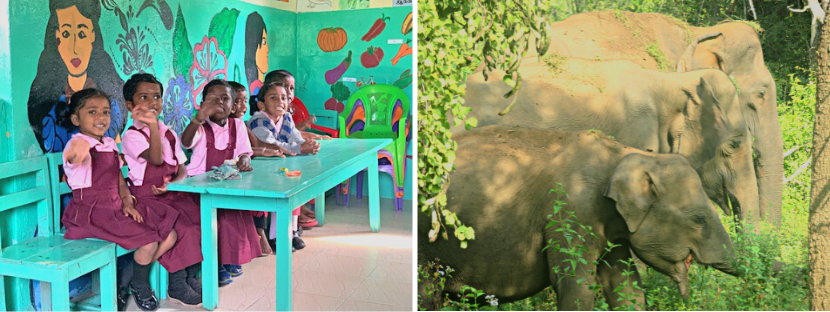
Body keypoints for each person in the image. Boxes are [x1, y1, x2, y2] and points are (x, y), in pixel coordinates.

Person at [60, 88, 177, 311]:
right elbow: (74, 157)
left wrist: (127, 202)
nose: (101, 117)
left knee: (170, 233)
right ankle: (138, 284)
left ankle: (126, 279)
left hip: (115, 207)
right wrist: (79, 148)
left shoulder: (109, 143)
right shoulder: (76, 144)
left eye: (105, 112)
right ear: (76, 119)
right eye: (92, 112)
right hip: (92, 213)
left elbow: (118, 180)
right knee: (149, 241)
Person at [120, 74, 203, 305]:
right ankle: (176, 283)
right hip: (145, 199)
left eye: (156, 96)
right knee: (181, 227)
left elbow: (182, 170)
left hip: (169, 194)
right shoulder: (131, 136)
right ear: (130, 105)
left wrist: (172, 184)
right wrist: (152, 127)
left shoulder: (169, 133)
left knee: (199, 220)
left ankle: (189, 275)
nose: (151, 102)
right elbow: (156, 159)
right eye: (143, 97)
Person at [180, 79, 262, 287]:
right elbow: (186, 142)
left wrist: (244, 159)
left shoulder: (237, 125)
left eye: (225, 99)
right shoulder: (201, 127)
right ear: (202, 103)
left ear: (233, 106)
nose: (219, 103)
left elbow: (245, 152)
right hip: (199, 188)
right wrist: (198, 118)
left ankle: (229, 258)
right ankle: (216, 264)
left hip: (226, 184)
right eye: (212, 99)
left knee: (235, 215)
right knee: (217, 221)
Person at [28, 0, 126, 154]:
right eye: (66, 34)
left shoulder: (111, 106)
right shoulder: (49, 111)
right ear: (57, 38)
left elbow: (118, 158)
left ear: (92, 35)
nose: (74, 48)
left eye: (81, 34)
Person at [263, 70, 324, 228]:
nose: (288, 93)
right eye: (284, 87)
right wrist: (301, 146)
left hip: (284, 155)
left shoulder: (287, 113)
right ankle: (295, 211)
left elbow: (292, 134)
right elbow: (272, 141)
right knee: (291, 173)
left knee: (302, 168)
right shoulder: (261, 116)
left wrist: (306, 143)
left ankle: (299, 207)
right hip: (268, 161)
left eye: (291, 89)